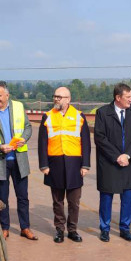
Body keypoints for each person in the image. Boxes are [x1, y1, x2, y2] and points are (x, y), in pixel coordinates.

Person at [0, 81, 36, 240]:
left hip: (19, 159)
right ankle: (4, 227)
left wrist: (24, 139)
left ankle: (25, 227)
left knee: (23, 196)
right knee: (2, 197)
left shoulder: (18, 107)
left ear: (7, 95)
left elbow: (28, 127)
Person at [38, 87, 91, 243]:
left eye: (59, 97)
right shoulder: (47, 116)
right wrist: (44, 165)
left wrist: (85, 165)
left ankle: (72, 230)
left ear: (68, 99)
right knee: (58, 201)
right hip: (55, 163)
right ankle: (59, 229)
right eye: (55, 96)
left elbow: (86, 143)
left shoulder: (79, 116)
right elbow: (42, 143)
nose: (56, 99)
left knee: (74, 201)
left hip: (75, 163)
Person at [94, 83, 131, 242]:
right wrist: (117, 156)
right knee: (106, 197)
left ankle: (125, 228)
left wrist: (127, 155)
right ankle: (105, 229)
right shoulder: (103, 113)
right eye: (128, 97)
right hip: (109, 163)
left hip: (128, 162)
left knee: (128, 197)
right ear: (118, 98)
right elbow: (100, 138)